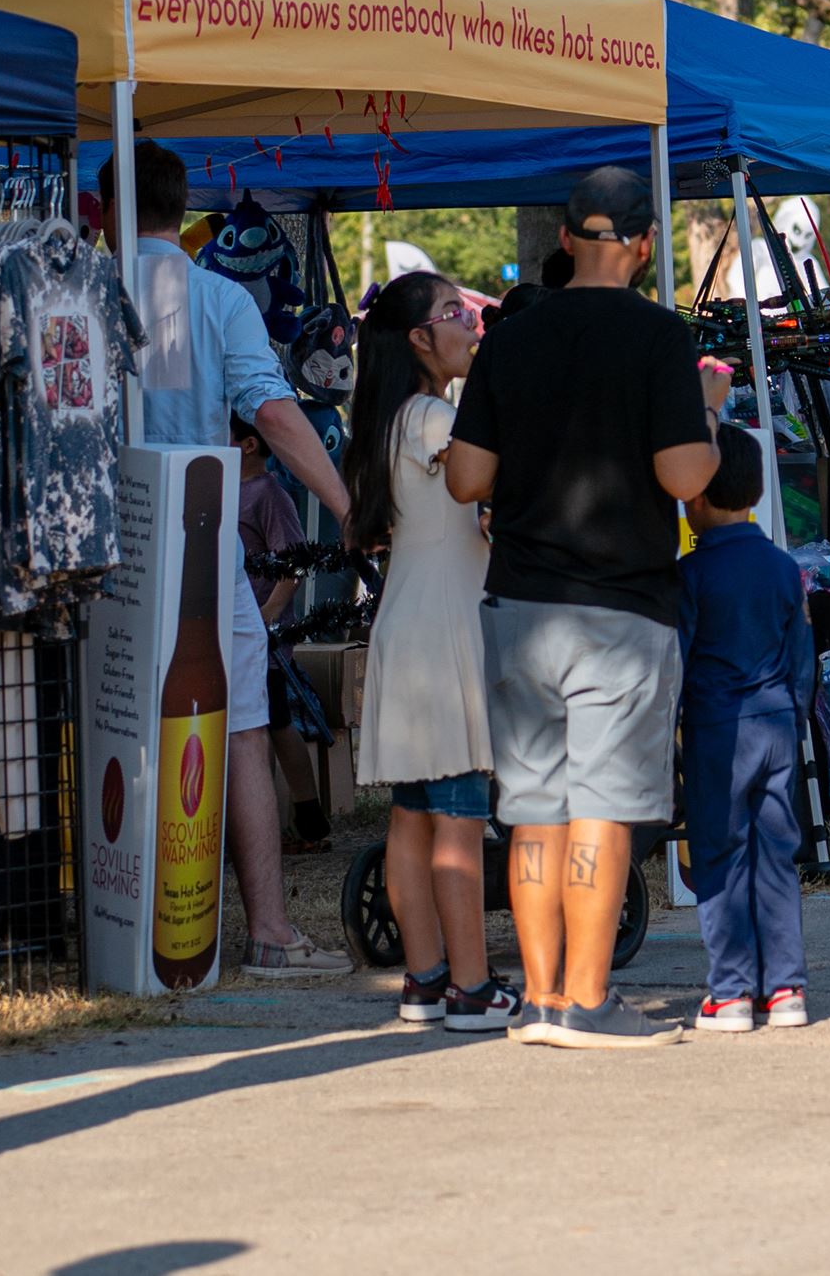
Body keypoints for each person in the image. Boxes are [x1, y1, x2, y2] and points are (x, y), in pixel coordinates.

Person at [445, 166, 729, 1050]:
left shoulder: (511, 338)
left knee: (533, 804)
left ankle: (536, 1001)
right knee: (605, 803)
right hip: (623, 607)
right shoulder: (657, 338)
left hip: (522, 602)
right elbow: (685, 478)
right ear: (646, 244)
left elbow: (465, 478)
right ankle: (588, 996)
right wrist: (709, 417)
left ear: (565, 238)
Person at [101, 143, 355, 978]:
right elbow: (275, 415)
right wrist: (349, 506)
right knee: (240, 723)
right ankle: (270, 930)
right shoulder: (215, 298)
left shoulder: (80, 290)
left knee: (105, 720)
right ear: (187, 208)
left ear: (104, 212)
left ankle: (113, 921)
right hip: (198, 538)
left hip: (96, 539)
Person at [345, 271, 520, 1033]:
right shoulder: (428, 417)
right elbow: (484, 491)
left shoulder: (392, 417)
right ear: (418, 338)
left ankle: (425, 981)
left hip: (407, 624)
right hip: (443, 627)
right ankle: (473, 989)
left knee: (413, 815)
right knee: (456, 814)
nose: (469, 322)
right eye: (453, 312)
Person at [680, 426, 817, 1032]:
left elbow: (675, 661)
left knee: (720, 855)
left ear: (697, 498)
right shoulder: (784, 568)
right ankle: (786, 988)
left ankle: (730, 991)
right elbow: (803, 659)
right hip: (780, 723)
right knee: (776, 856)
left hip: (717, 730)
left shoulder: (688, 575)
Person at [231, 415, 329, 855]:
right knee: (259, 726)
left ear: (249, 445)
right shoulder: (225, 489)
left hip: (262, 638)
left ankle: (308, 820)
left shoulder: (269, 494)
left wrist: (266, 617)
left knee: (276, 725)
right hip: (238, 633)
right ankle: (272, 822)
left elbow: (294, 563)